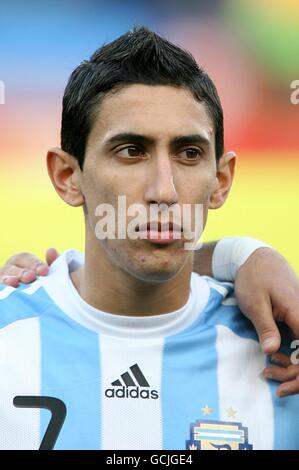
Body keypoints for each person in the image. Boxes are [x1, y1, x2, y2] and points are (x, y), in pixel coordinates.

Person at [0, 27, 298, 450]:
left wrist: (244, 254)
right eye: (131, 151)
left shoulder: (284, 355)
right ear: (68, 177)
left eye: (189, 154)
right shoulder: (9, 342)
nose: (164, 190)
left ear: (220, 180)